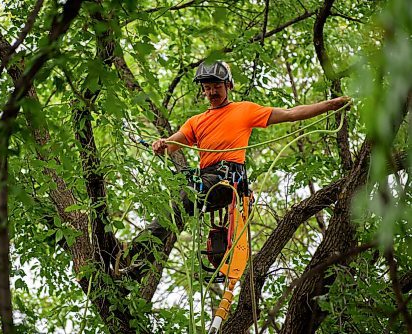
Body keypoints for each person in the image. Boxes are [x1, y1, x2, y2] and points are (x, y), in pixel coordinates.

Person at [123, 61, 350, 279]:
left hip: (226, 181)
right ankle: (137, 269)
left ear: (228, 86)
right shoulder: (196, 122)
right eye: (208, 88)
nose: (212, 92)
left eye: (217, 87)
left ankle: (130, 251)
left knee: (182, 202)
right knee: (173, 213)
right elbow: (171, 145)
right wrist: (159, 144)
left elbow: (291, 114)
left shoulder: (244, 110)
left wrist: (329, 105)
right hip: (206, 181)